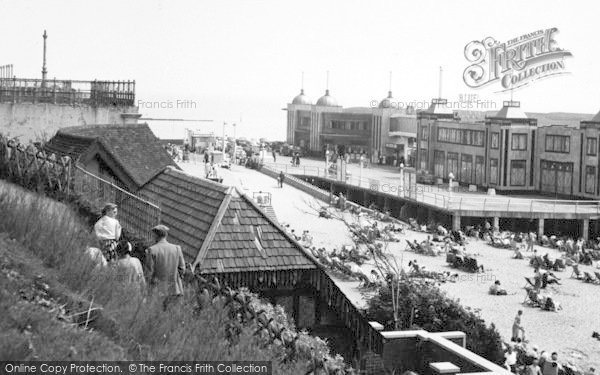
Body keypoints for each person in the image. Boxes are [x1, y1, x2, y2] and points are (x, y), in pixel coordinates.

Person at [145, 225, 186, 310]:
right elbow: (182, 269)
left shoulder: (152, 250)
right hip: (175, 289)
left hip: (158, 290)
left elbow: (149, 272)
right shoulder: (177, 248)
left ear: (156, 235)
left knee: (158, 317)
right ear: (166, 235)